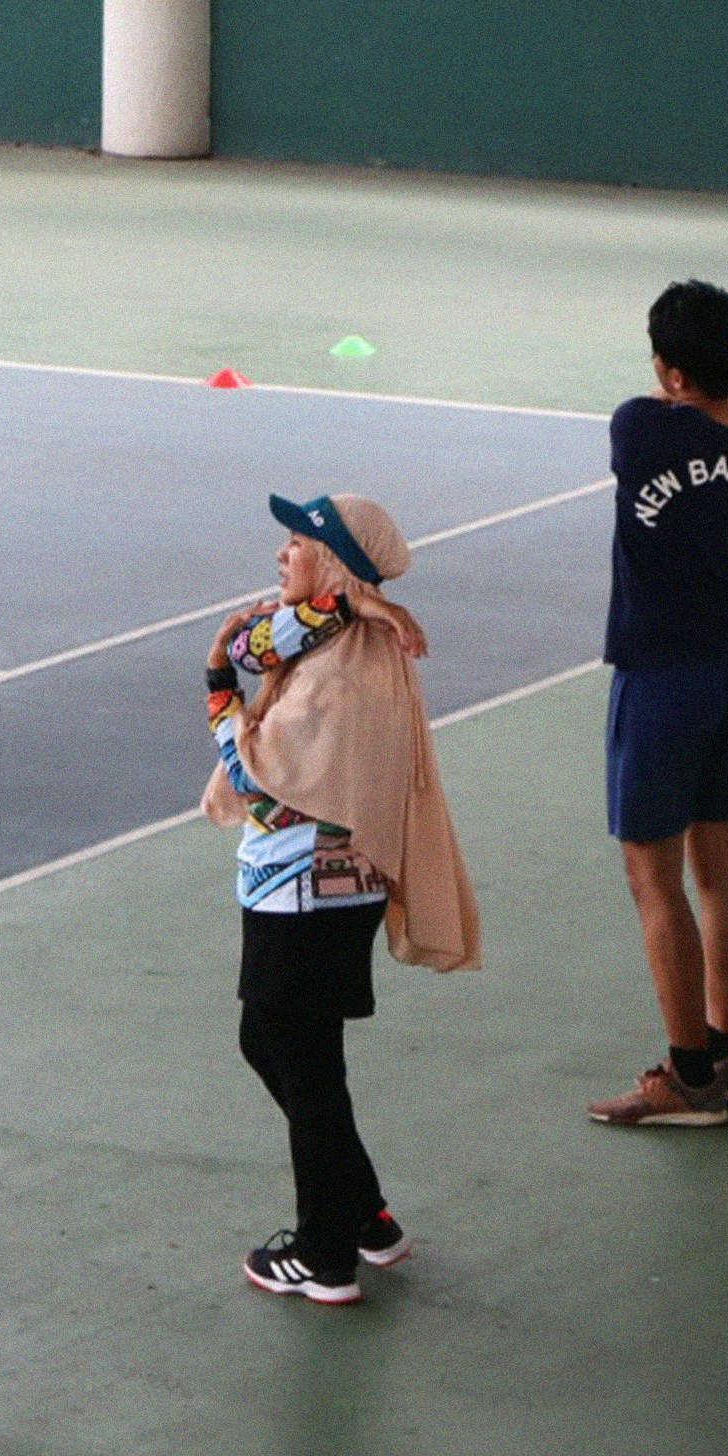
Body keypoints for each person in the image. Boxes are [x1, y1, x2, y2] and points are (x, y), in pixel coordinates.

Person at [204, 492, 479, 1303]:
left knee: (302, 1058)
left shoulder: (336, 681)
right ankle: (364, 1212)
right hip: (312, 892)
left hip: (305, 894)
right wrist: (345, 603)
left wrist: (220, 698)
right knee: (274, 1040)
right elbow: (250, 639)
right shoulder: (340, 644)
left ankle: (325, 1252)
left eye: (297, 543)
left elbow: (260, 775)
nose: (281, 555)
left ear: (331, 564)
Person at [588, 281, 728, 1128]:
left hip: (663, 679)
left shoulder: (640, 428)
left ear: (669, 371)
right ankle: (724, 1049)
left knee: (652, 876)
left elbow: (655, 408)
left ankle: (687, 1074)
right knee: (719, 868)